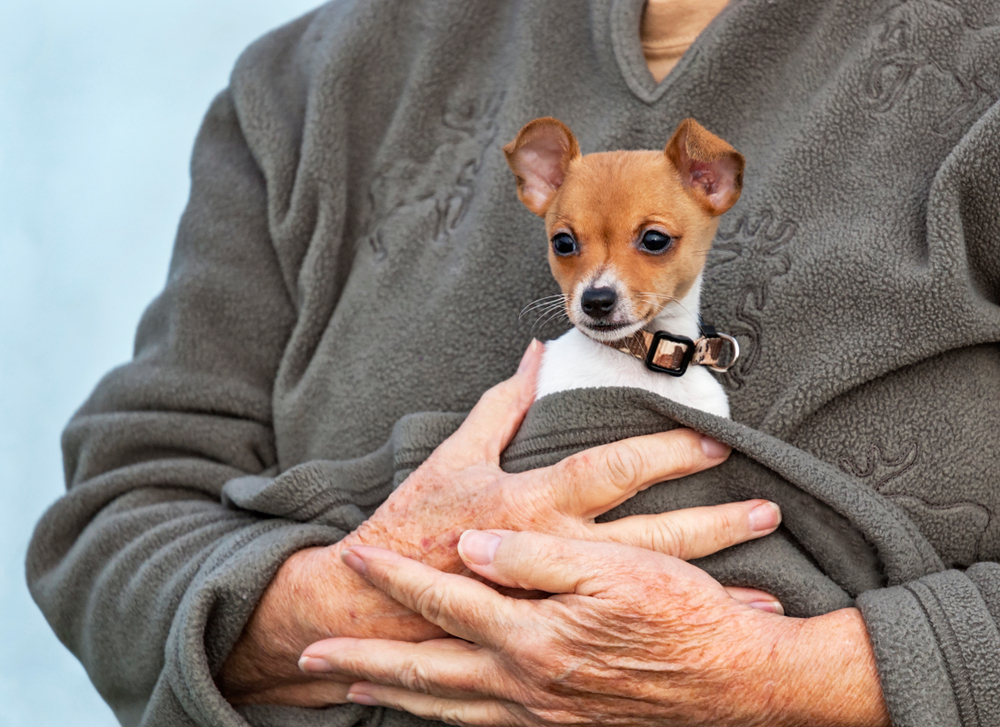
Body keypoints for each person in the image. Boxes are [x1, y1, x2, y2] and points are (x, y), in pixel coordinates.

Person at [26, 0, 1000, 726]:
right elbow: (119, 518)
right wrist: (373, 586)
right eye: (573, 247)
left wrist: (790, 674)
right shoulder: (314, 81)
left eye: (650, 243)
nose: (601, 285)